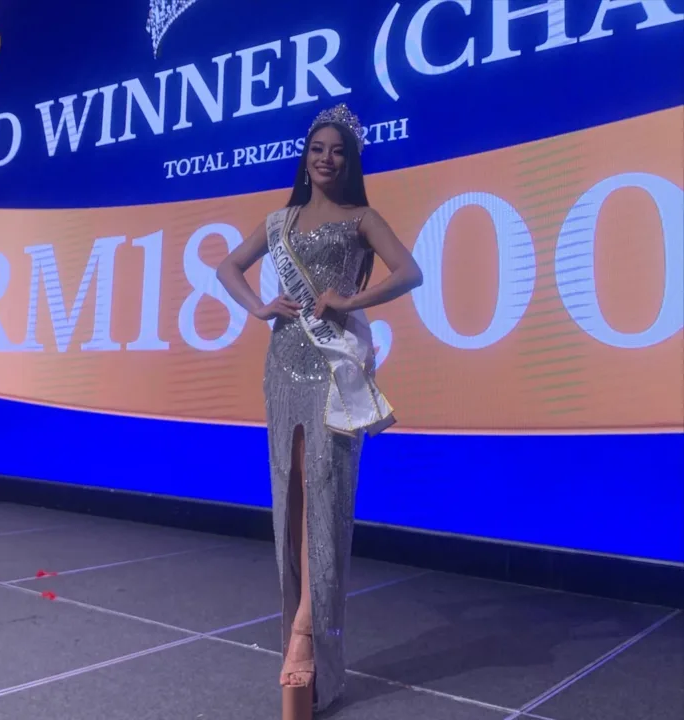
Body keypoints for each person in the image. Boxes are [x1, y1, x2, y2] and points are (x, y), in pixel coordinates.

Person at [216, 104, 423, 719]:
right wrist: (259, 306)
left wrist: (351, 300)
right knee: (293, 498)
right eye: (317, 149)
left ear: (350, 160)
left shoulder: (362, 217)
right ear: (304, 159)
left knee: (326, 500)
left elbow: (410, 272)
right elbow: (227, 266)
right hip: (283, 364)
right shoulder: (279, 221)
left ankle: (306, 635)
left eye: (337, 150)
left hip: (335, 368)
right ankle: (300, 633)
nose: (326, 158)